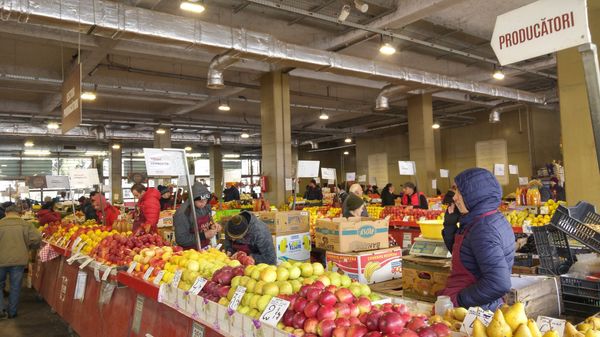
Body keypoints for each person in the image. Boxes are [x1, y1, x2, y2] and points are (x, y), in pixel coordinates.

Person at [440, 168, 514, 310]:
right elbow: (466, 256)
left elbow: (499, 283)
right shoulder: (483, 219)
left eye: (459, 192)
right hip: (477, 303)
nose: (455, 197)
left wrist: (460, 299)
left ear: (475, 195)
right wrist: (450, 225)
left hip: (476, 310)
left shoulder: (484, 229)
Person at [0, 205, 41, 319]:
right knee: (15, 286)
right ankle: (12, 312)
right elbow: (37, 238)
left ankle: (1, 310)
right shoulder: (26, 224)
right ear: (20, 213)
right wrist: (30, 246)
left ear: (6, 213)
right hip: (19, 260)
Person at [174, 183, 221, 250]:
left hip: (205, 248)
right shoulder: (182, 213)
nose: (203, 204)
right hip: (190, 253)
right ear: (193, 199)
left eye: (206, 200)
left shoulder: (206, 206)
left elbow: (207, 222)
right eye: (200, 201)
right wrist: (204, 235)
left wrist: (211, 226)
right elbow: (181, 239)